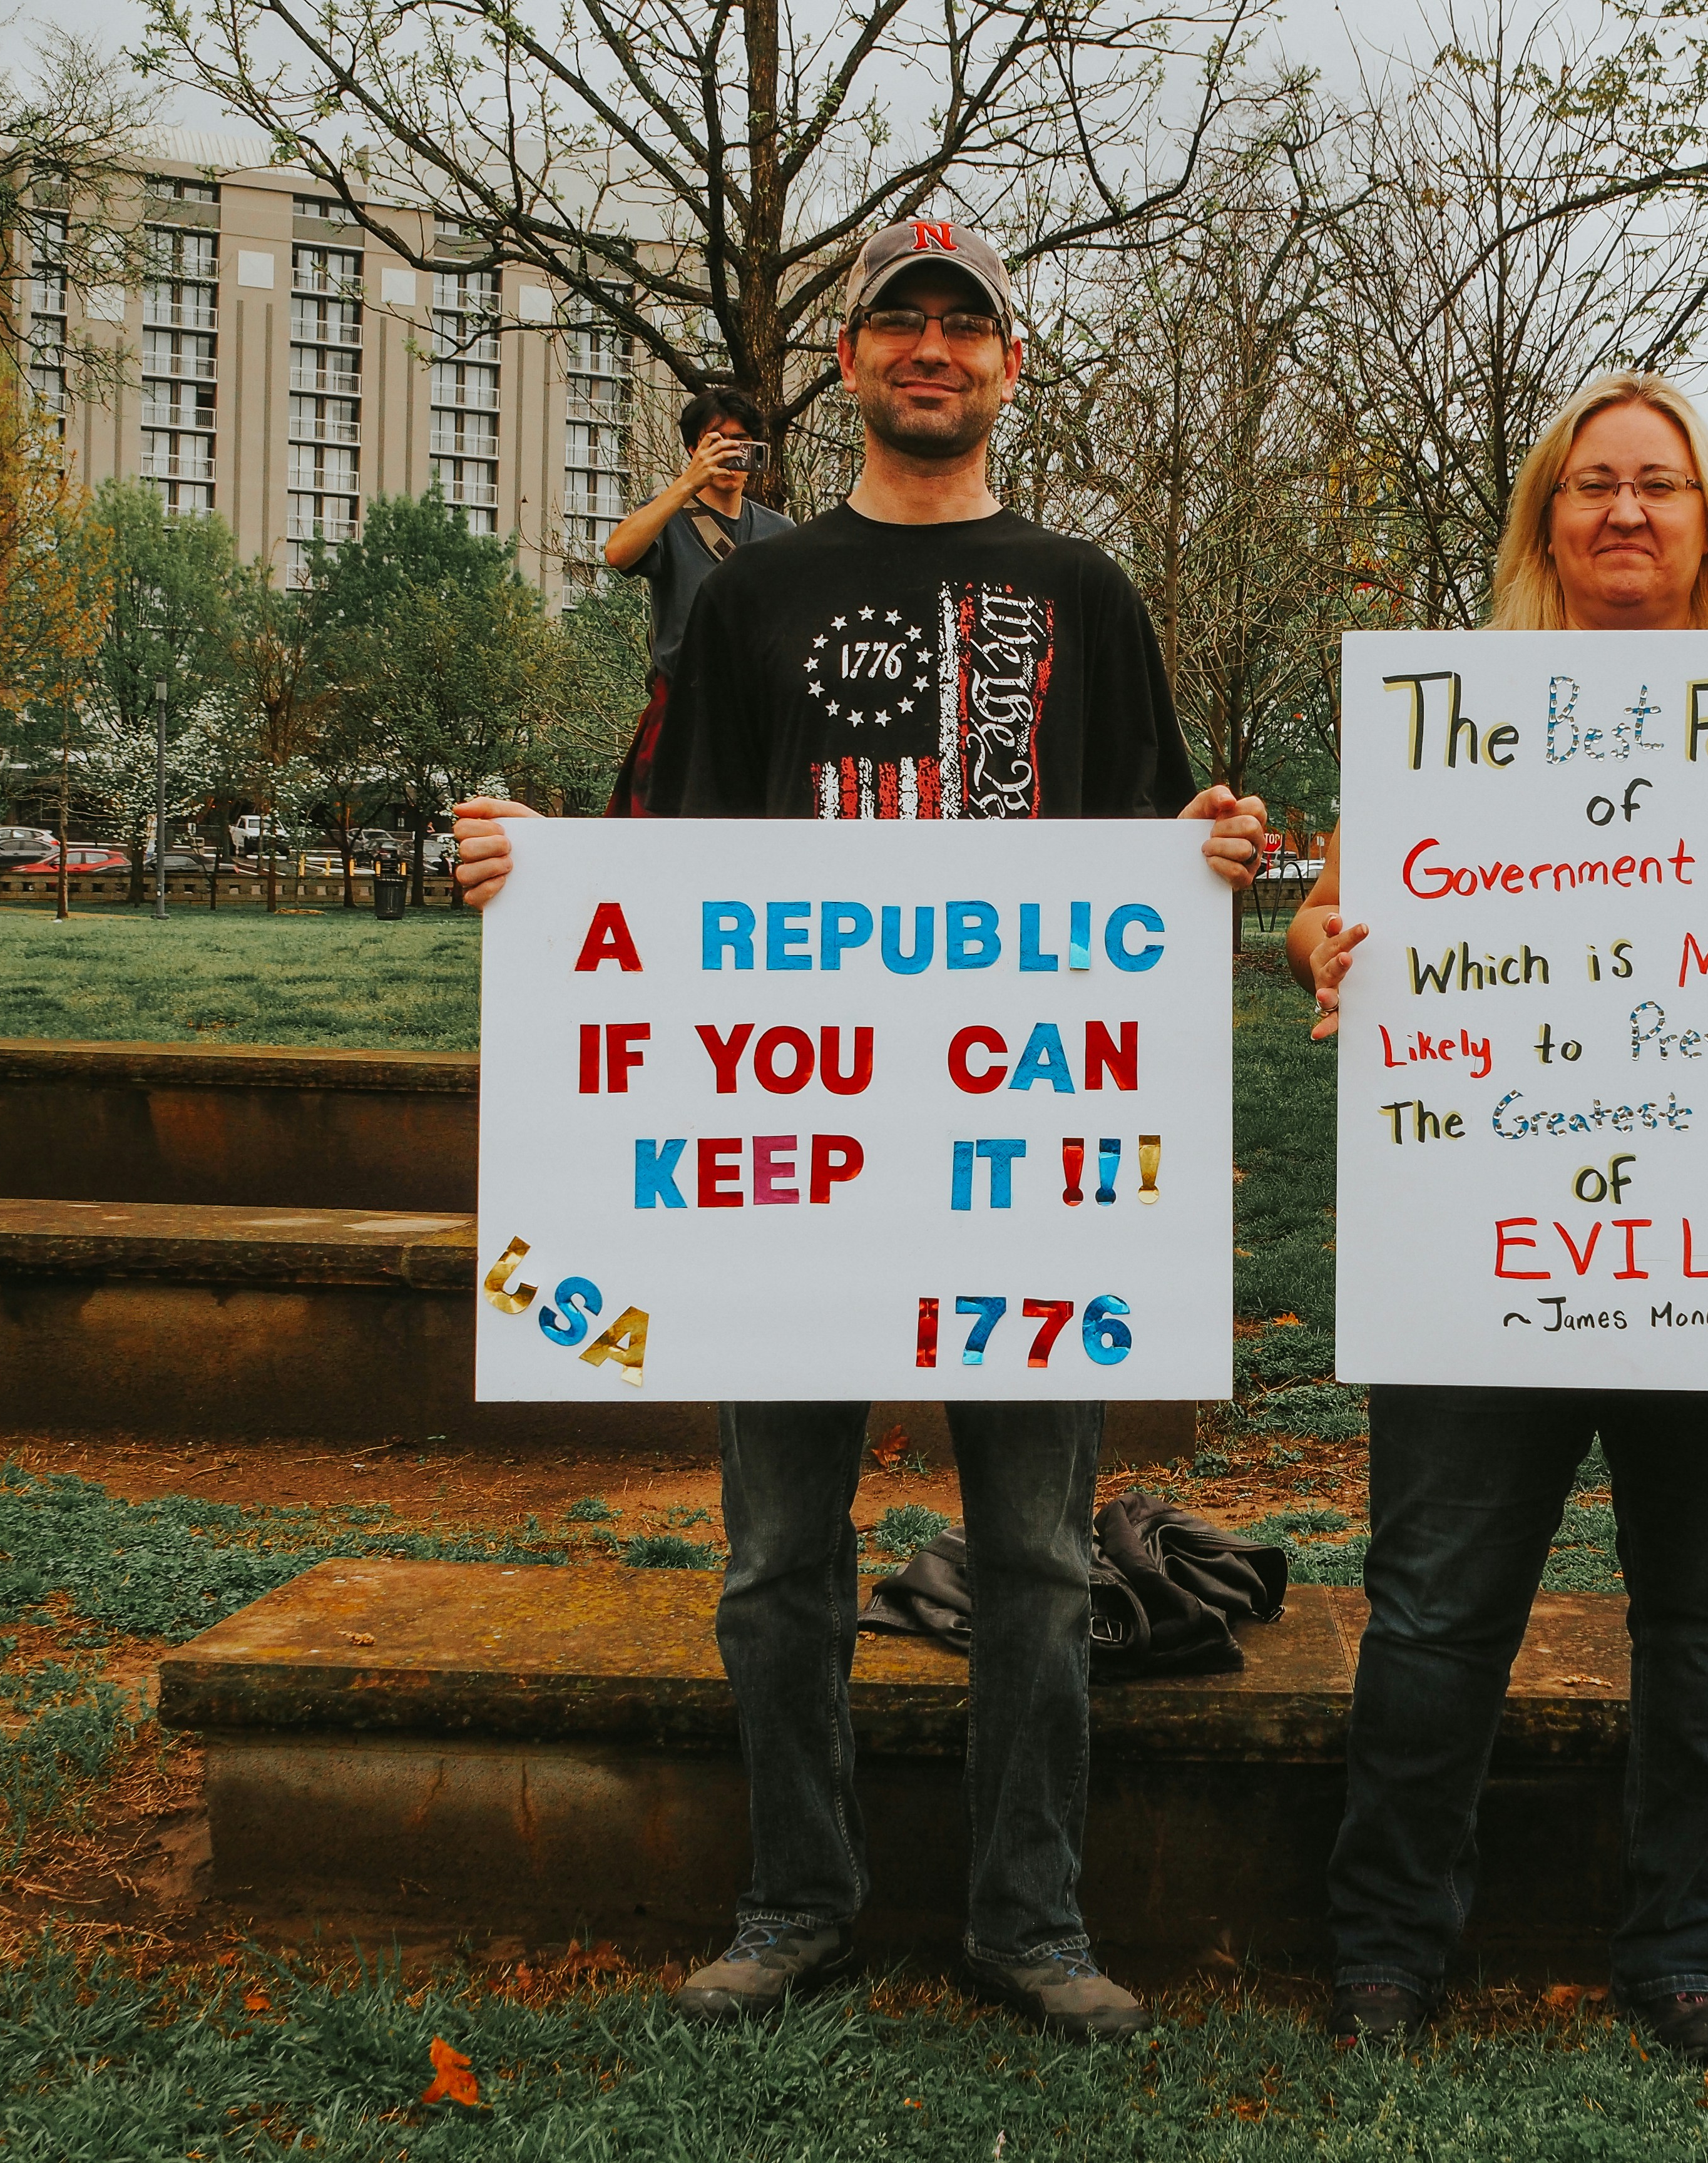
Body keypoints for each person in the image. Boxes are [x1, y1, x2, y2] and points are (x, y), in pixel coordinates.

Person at [449, 217, 1267, 2042]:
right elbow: (656, 866)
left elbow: (1150, 872)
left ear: (1008, 367)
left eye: (960, 329)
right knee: (776, 1560)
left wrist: (1208, 864)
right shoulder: (751, 592)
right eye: (895, 324)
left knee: (1045, 1564)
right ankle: (793, 1906)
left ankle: (1027, 1921)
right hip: (787, 1154)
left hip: (1026, 1161)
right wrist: (530, 871)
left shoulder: (1085, 596)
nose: (928, 351)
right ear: (845, 363)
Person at [1284, 372, 1708, 2067]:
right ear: (1543, 523)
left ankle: (1683, 1958)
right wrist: (1320, 941)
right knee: (1435, 1611)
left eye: (1655, 486)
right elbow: (1345, 901)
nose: (1620, 513)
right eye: (1588, 486)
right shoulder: (1452, 723)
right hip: (1485, 1240)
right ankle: (1385, 1952)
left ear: (1702, 519)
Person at [601, 387, 799, 816]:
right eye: (717, 441)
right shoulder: (666, 517)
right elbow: (617, 553)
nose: (731, 452)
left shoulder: (780, 530)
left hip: (755, 713)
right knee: (656, 837)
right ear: (694, 448)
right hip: (681, 709)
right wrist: (689, 483)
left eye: (741, 441)